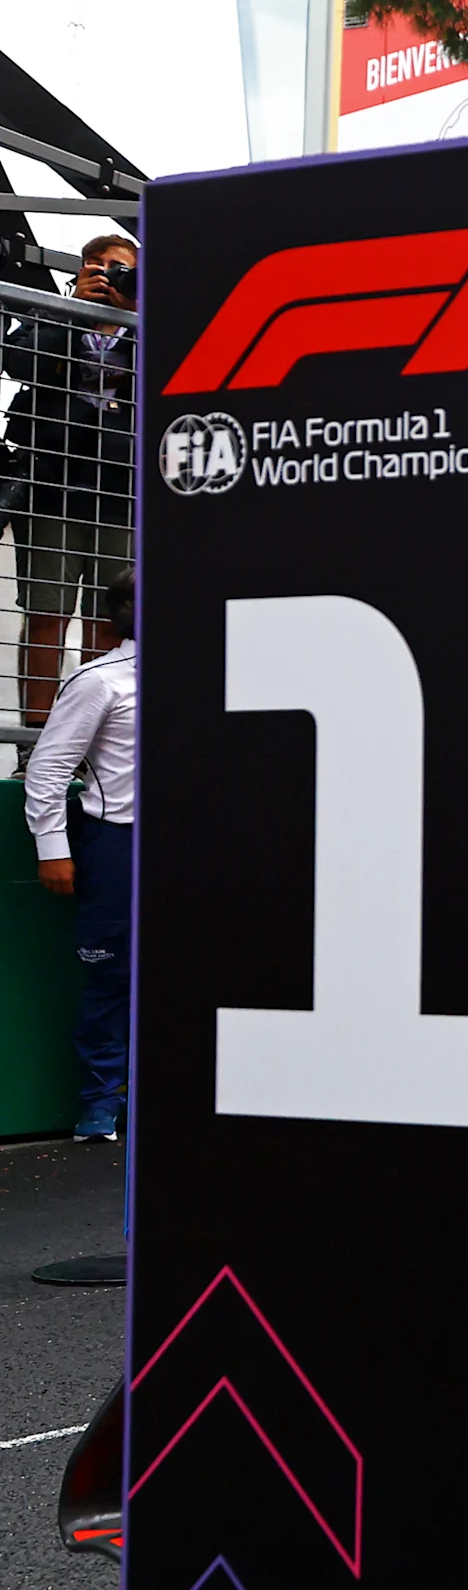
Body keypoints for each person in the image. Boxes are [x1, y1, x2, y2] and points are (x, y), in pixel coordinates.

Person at [7, 234, 136, 729]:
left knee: (109, 630)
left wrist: (135, 312)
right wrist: (74, 311)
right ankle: (33, 745)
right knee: (46, 620)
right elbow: (18, 362)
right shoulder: (53, 315)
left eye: (120, 269)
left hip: (122, 495)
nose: (107, 275)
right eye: (97, 266)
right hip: (54, 492)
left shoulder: (151, 328)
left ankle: (89, 749)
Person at [28, 566, 132, 1141]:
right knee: (111, 977)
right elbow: (47, 768)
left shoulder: (211, 669)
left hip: (193, 845)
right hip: (116, 843)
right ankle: (101, 1104)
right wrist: (52, 848)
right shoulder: (100, 680)